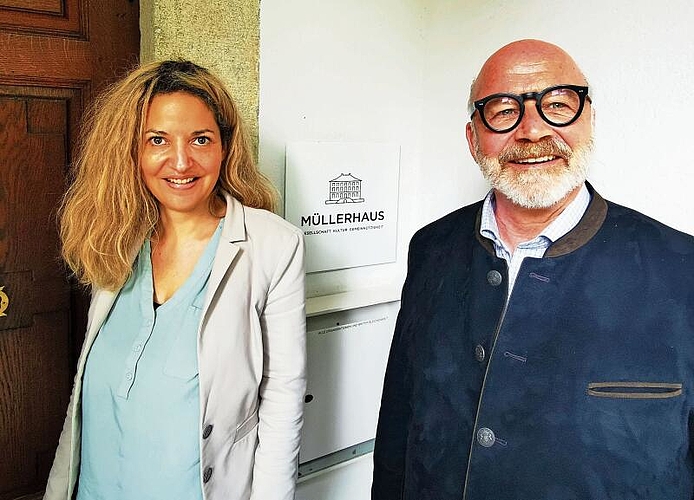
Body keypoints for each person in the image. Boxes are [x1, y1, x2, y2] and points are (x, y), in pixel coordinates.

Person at [372, 39, 694, 500]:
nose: (532, 130)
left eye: (558, 105)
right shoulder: (431, 249)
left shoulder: (682, 269)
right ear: (472, 138)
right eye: (503, 111)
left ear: (589, 122)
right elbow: (399, 422)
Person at [44, 60, 306, 500]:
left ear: (225, 147)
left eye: (201, 139)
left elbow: (283, 398)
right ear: (132, 151)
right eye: (158, 140)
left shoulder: (273, 246)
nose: (181, 161)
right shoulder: (117, 236)